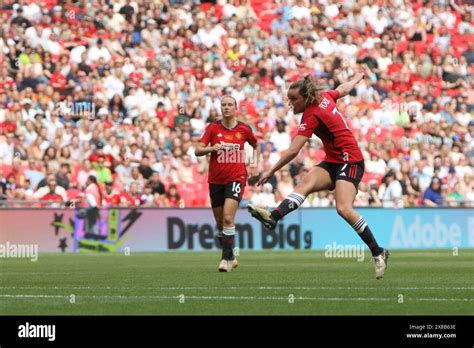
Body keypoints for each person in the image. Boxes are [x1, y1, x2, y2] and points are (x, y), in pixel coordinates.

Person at [247, 74, 389, 279]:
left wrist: (270, 171)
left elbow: (293, 151)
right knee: (306, 183)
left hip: (351, 160)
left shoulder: (312, 115)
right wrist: (357, 78)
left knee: (343, 208)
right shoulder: (325, 96)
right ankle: (274, 216)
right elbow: (344, 89)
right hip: (333, 161)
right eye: (289, 98)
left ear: (306, 97)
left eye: (294, 98)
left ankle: (378, 252)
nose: (290, 102)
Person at [195, 95, 259, 272]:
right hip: (215, 180)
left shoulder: (244, 129)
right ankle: (231, 257)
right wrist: (211, 148)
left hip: (236, 177)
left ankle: (224, 260)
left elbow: (256, 145)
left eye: (230, 104)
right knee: (220, 224)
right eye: (224, 105)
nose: (226, 107)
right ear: (220, 108)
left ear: (235, 107)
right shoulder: (213, 128)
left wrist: (254, 163)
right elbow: (197, 150)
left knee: (229, 218)